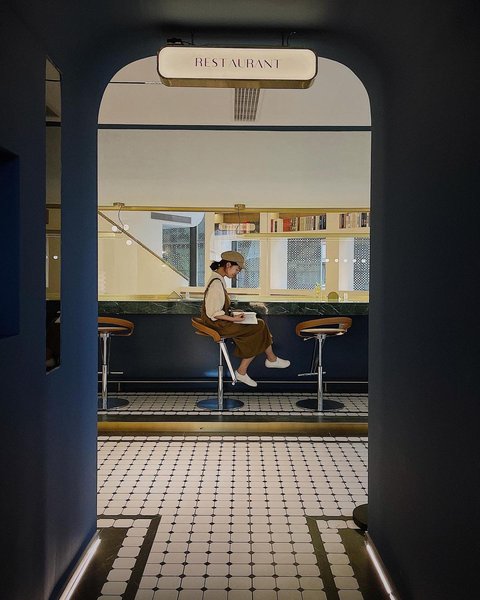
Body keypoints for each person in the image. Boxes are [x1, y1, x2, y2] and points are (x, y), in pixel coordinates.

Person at [201, 250, 290, 387]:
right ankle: (261, 363)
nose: (237, 273)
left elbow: (217, 309)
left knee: (258, 324)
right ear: (228, 265)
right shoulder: (216, 284)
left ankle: (266, 362)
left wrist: (233, 314)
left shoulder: (218, 279)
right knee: (258, 327)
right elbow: (214, 313)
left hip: (220, 322)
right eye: (237, 269)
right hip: (218, 325)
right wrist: (234, 319)